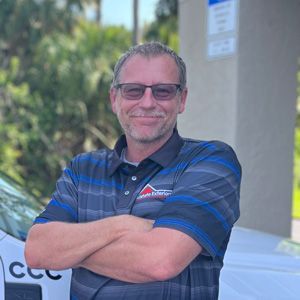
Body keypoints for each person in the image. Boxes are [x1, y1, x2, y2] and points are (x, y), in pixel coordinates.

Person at [25, 41, 241, 300]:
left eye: (162, 91)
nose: (148, 102)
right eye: (133, 91)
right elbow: (37, 250)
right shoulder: (83, 169)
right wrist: (122, 226)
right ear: (114, 99)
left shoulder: (211, 162)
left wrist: (72, 250)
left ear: (181, 99)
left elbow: (160, 260)